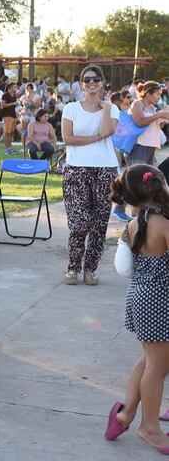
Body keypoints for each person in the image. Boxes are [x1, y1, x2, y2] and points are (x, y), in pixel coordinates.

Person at [106, 165, 169, 453]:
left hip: (141, 297)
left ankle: (125, 415)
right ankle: (149, 428)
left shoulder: (132, 225)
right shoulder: (163, 224)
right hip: (160, 300)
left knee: (148, 360)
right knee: (157, 367)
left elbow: (124, 267)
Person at [61, 65, 120, 285]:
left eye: (96, 79)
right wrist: (95, 139)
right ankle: (73, 268)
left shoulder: (111, 109)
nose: (92, 82)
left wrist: (105, 107)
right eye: (87, 80)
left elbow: (106, 131)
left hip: (105, 169)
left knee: (99, 223)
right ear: (81, 84)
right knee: (79, 223)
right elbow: (68, 139)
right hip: (76, 169)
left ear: (102, 83)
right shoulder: (71, 109)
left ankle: (90, 270)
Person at [126, 81, 169, 167]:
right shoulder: (137, 103)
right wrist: (159, 115)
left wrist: (162, 122)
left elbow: (152, 127)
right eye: (157, 94)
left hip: (150, 146)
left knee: (147, 174)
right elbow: (139, 122)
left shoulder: (152, 107)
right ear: (148, 94)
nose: (159, 97)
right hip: (139, 146)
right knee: (137, 173)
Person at [0, 82, 19, 154]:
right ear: (10, 88)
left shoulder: (14, 95)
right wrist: (13, 103)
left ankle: (10, 147)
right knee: (7, 132)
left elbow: (14, 106)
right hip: (7, 115)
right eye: (15, 87)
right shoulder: (5, 95)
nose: (16, 88)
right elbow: (3, 104)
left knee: (11, 132)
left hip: (13, 115)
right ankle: (6, 149)